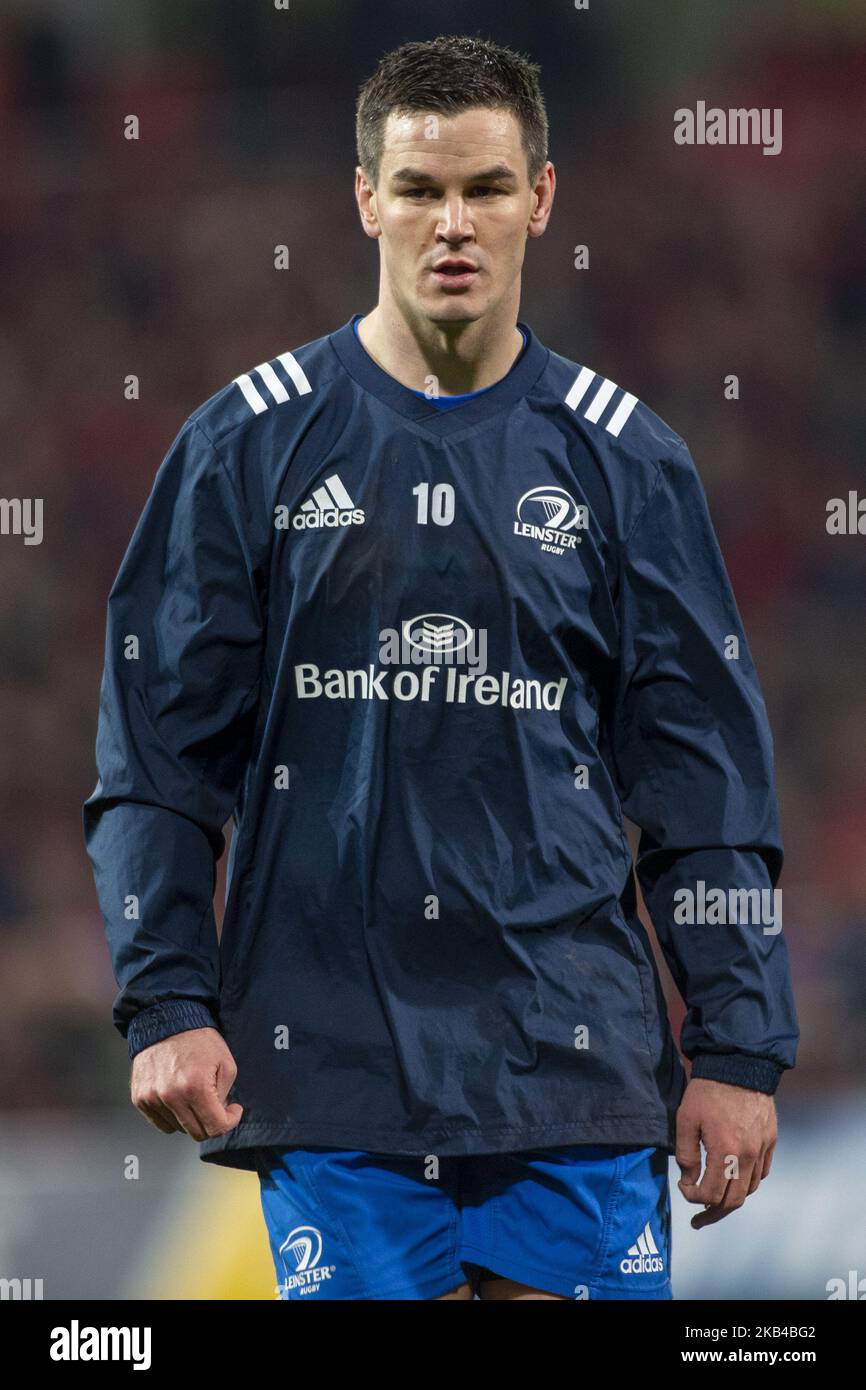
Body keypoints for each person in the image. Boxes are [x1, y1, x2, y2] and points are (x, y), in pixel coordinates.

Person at [83, 34, 799, 1301]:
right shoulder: (243, 446)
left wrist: (738, 1048)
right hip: (332, 1060)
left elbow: (704, 792)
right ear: (364, 199)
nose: (449, 223)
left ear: (541, 197)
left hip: (571, 1066)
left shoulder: (629, 464)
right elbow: (155, 760)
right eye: (417, 190)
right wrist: (164, 1002)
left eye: (482, 187)